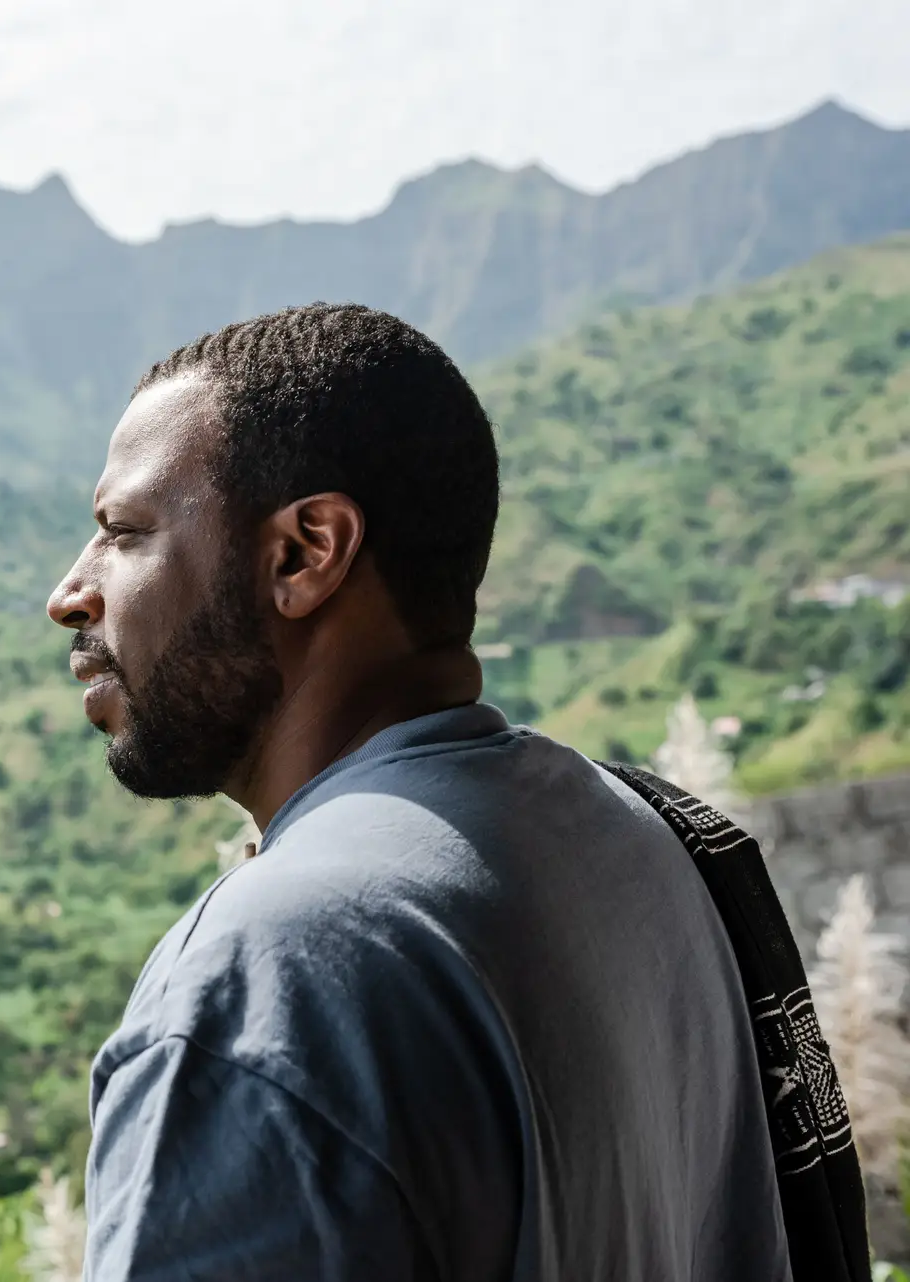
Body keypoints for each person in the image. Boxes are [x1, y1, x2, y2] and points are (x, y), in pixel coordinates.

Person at [45, 304, 788, 1281]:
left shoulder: (269, 977)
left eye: (123, 533)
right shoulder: (648, 840)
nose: (70, 591)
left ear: (306, 553)